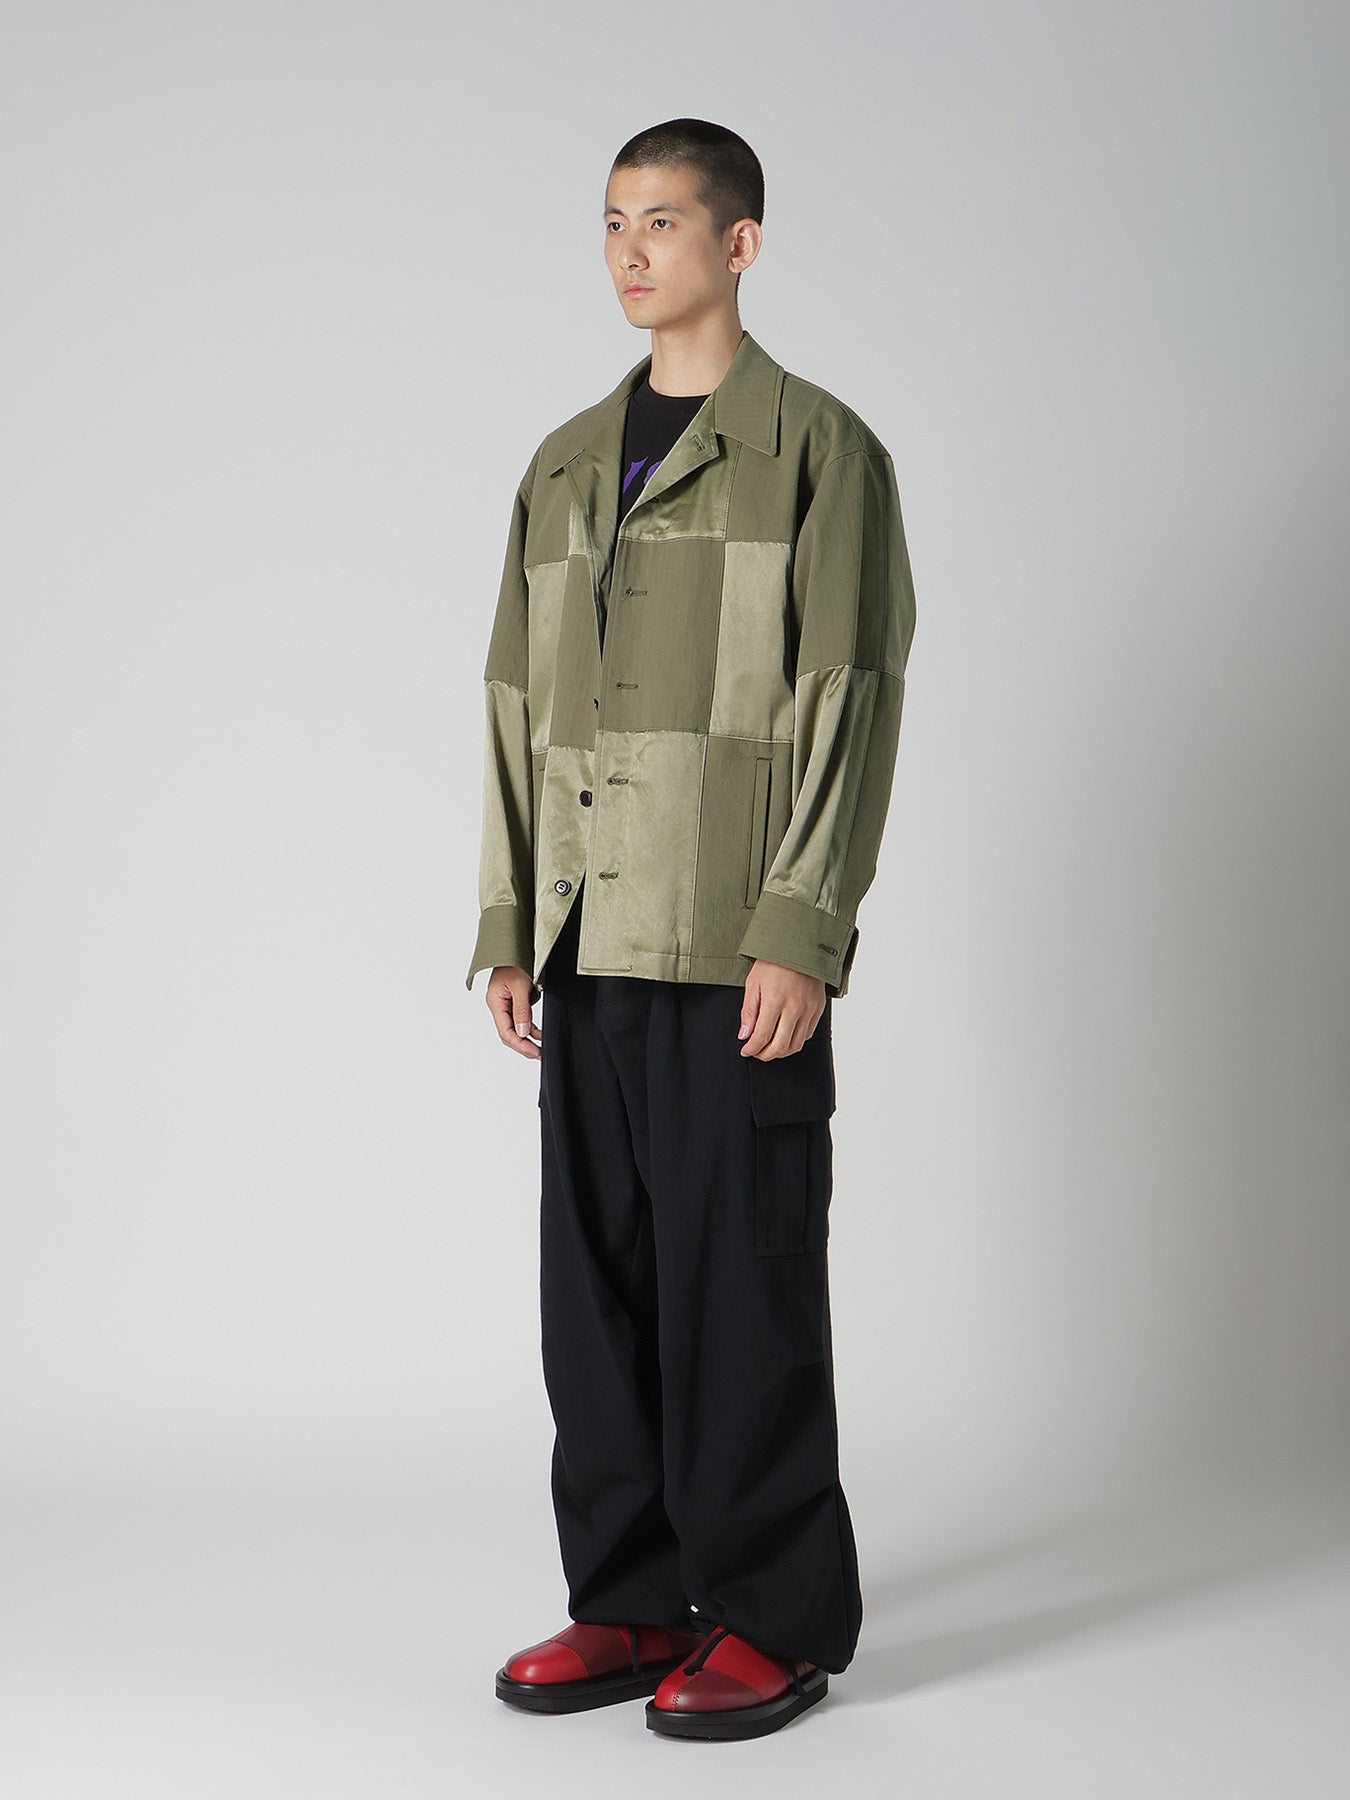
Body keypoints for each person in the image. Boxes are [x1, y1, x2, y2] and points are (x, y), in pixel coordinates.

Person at [465, 117, 917, 1741]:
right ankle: (633, 1596)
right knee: (594, 1291)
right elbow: (515, 699)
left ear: (739, 243)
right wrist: (507, 916)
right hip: (586, 936)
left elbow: (846, 693)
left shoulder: (818, 452)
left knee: (744, 1282)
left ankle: (775, 1614)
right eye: (610, 222)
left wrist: (801, 925)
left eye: (660, 221)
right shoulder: (564, 463)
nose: (628, 251)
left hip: (732, 943)